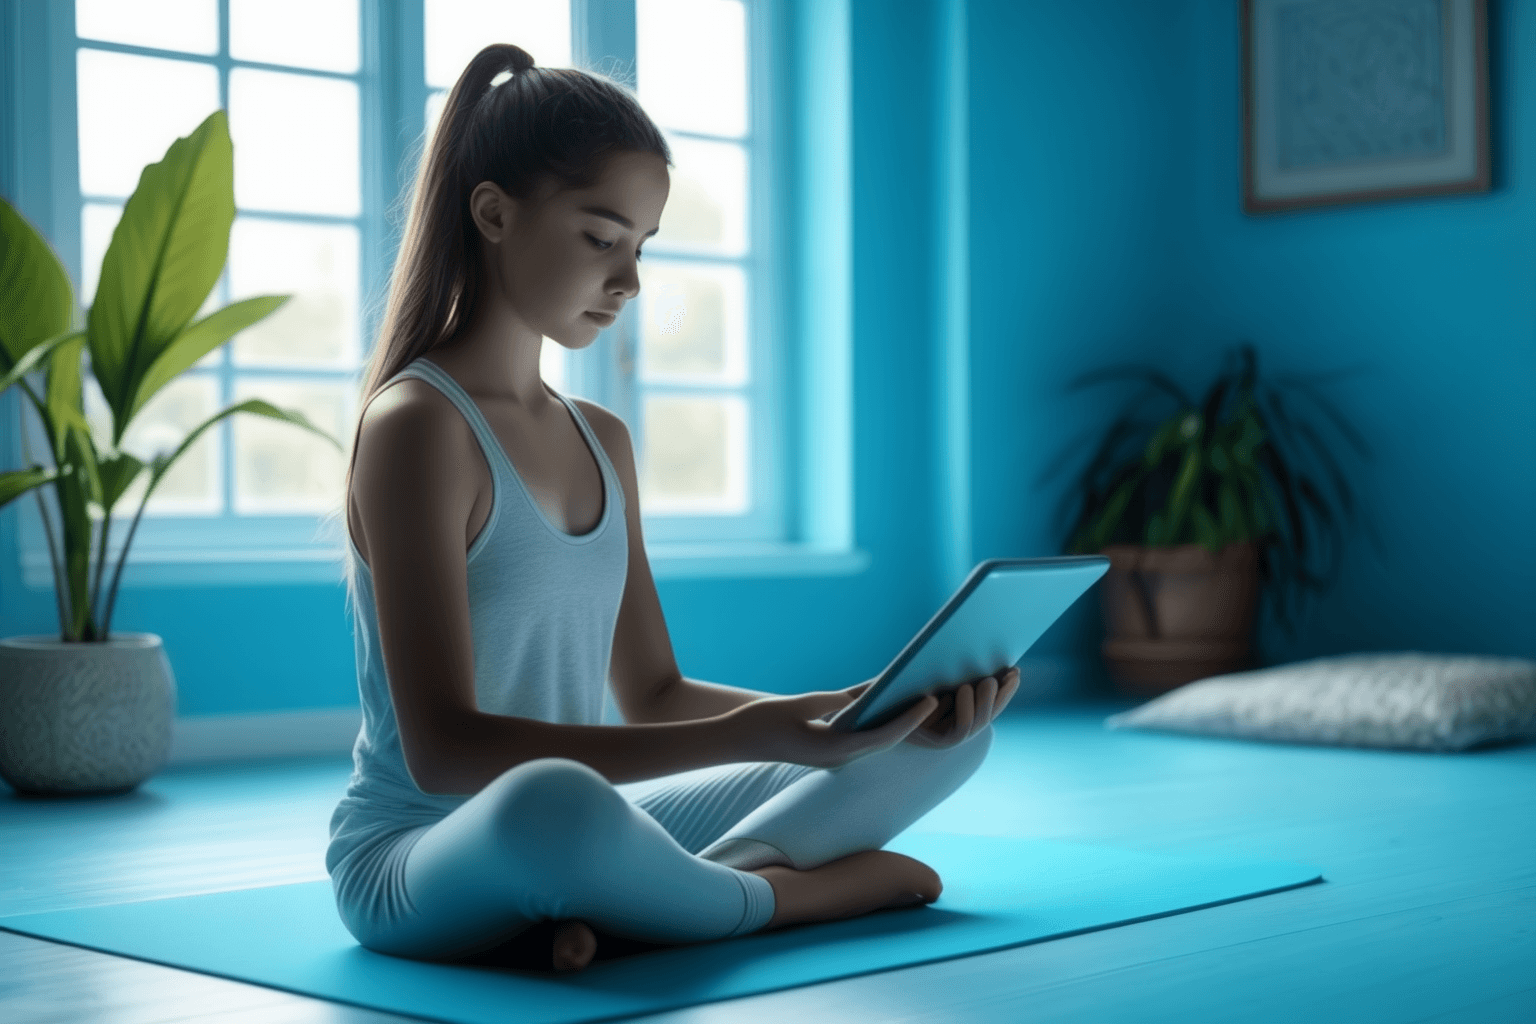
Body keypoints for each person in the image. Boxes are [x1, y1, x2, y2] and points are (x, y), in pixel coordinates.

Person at [324, 42, 1022, 973]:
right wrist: (748, 736)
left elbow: (651, 694)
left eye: (642, 246)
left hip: (591, 826)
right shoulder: (418, 425)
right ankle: (775, 900)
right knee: (556, 806)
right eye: (600, 237)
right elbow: (446, 753)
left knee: (942, 747)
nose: (630, 281)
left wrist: (835, 717)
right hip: (418, 859)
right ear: (493, 212)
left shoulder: (601, 438)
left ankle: (624, 910)